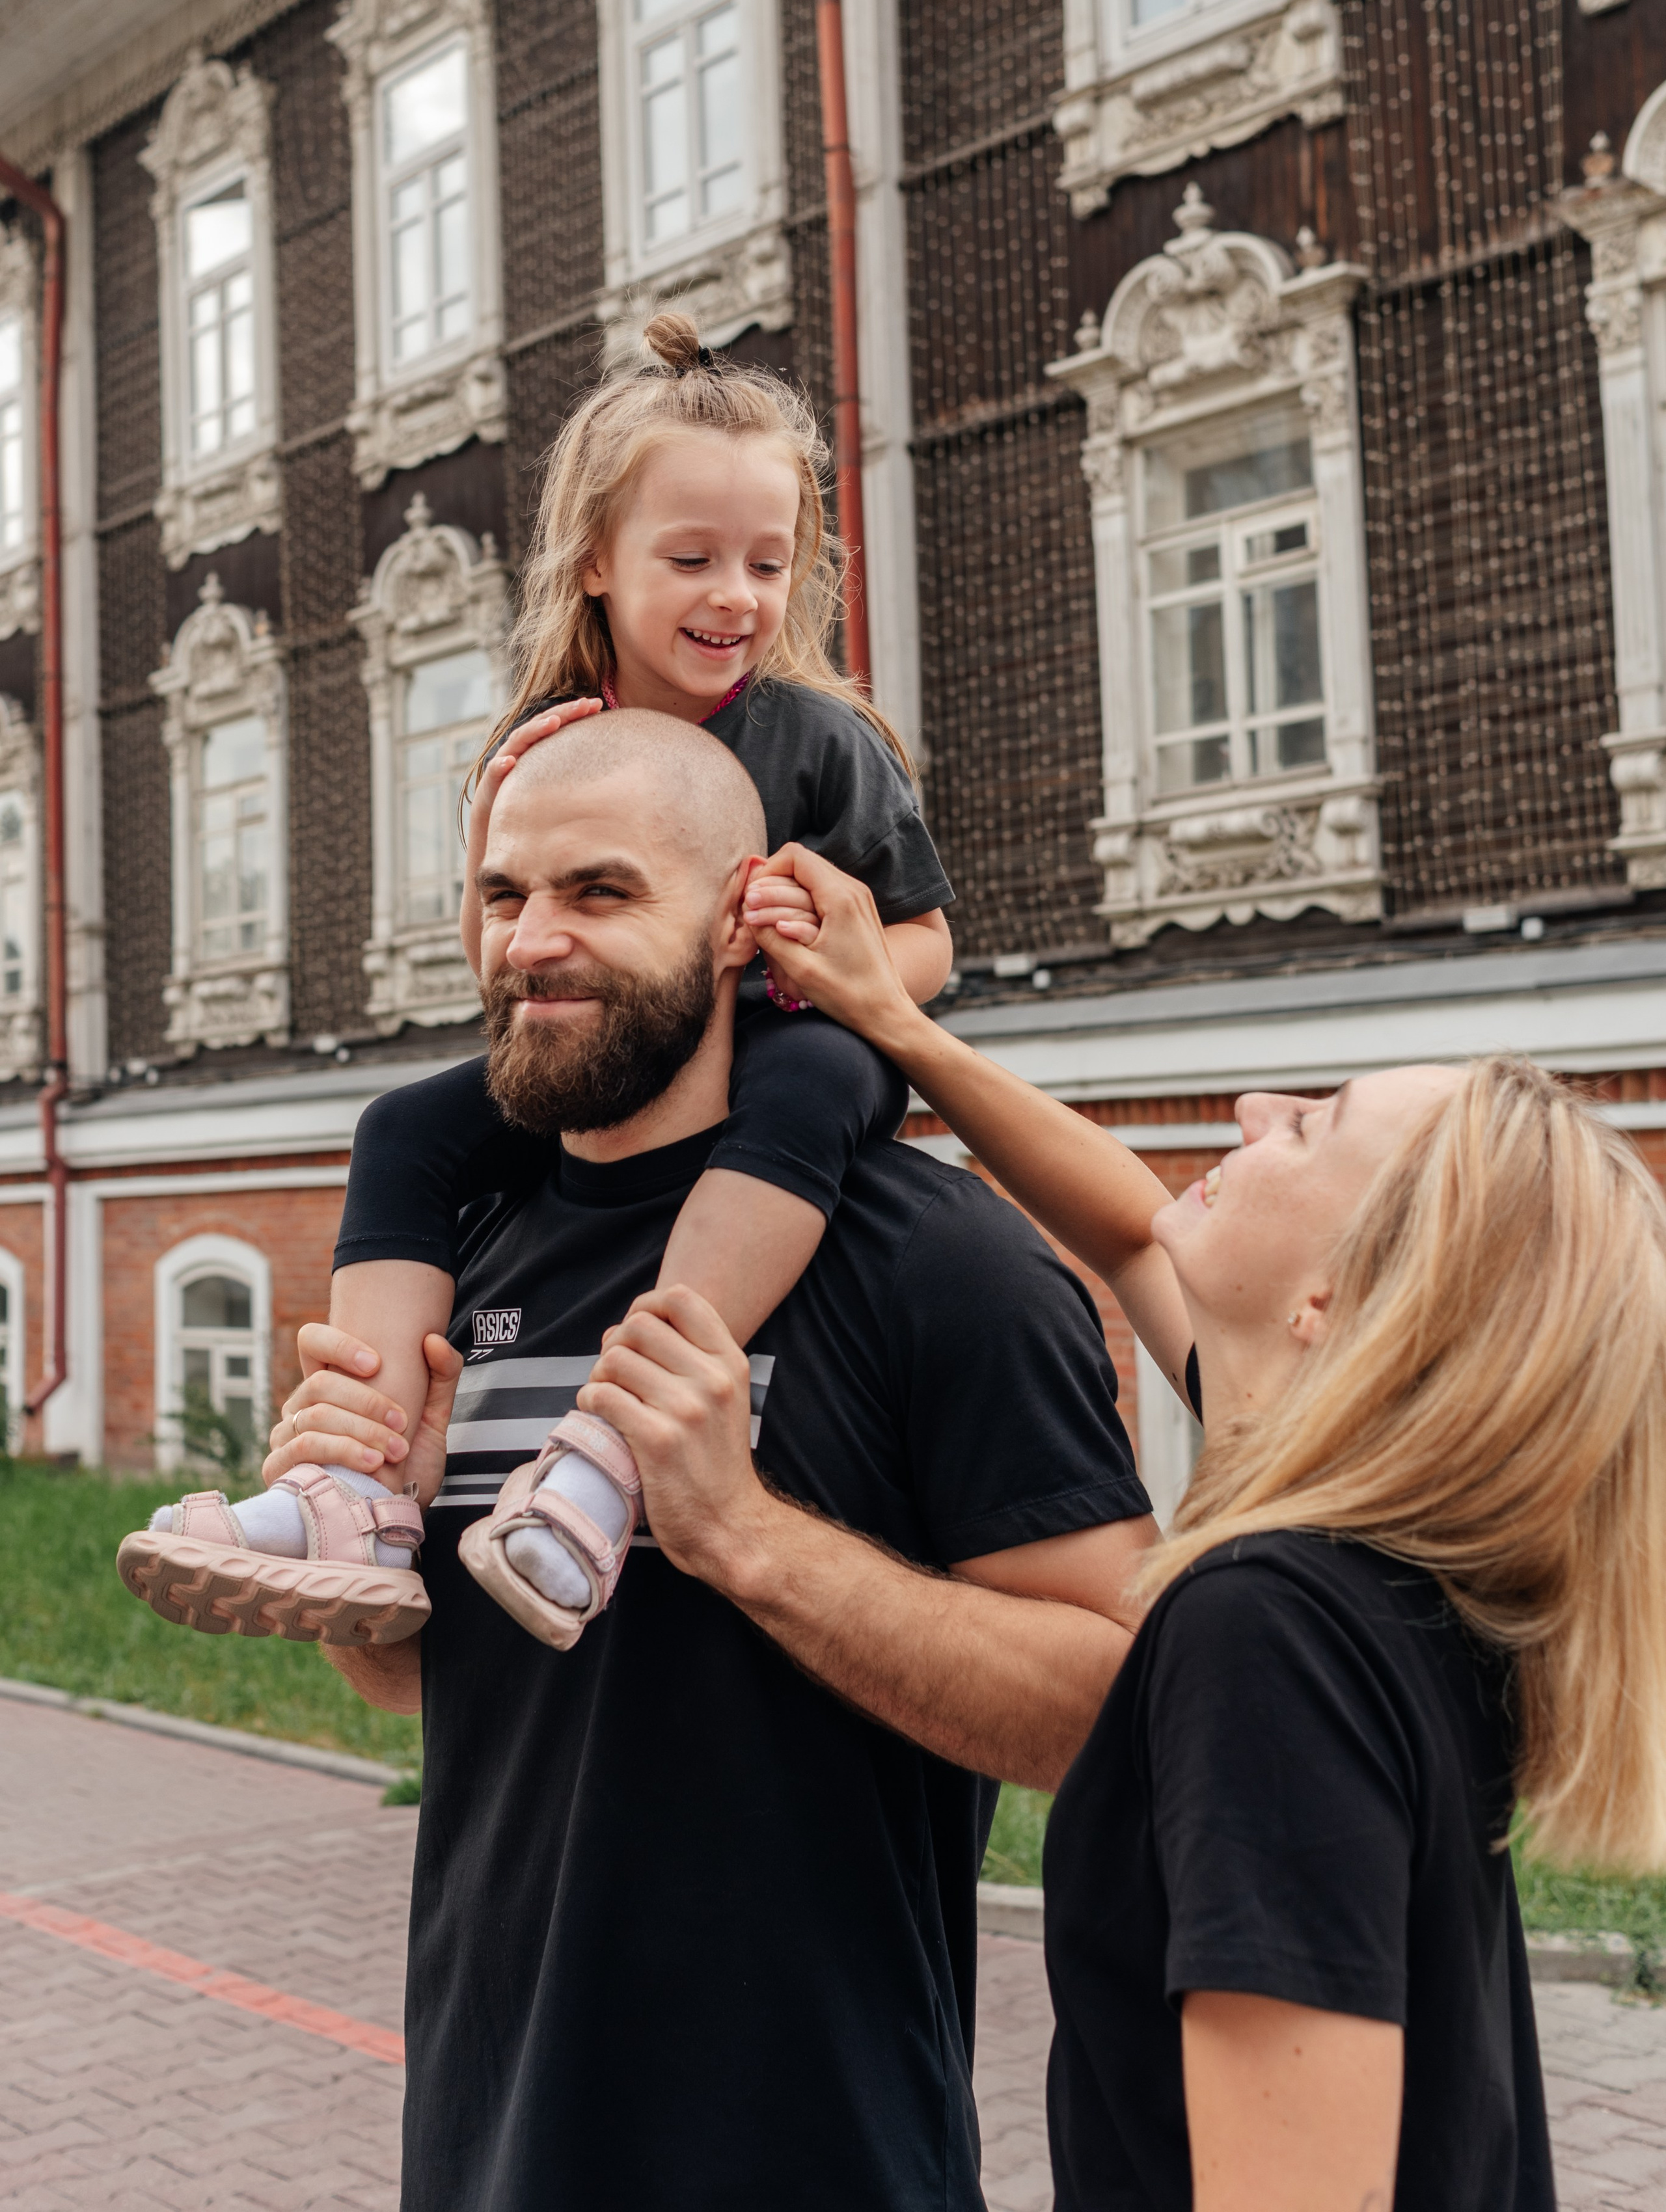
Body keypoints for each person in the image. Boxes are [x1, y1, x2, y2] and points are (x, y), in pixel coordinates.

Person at [258, 708, 1158, 2211]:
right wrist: (384, 1551)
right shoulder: (460, 1257)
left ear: (741, 922)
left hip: (817, 2155)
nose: (531, 941)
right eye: (501, 895)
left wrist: (744, 1534)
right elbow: (442, 1686)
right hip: (486, 2142)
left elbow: (1115, 1708)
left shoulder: (941, 1264)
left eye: (600, 893)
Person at [737, 844, 1666, 2212]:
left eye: (1309, 1125)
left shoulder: (1267, 1628)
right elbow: (1127, 1229)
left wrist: (734, 1525)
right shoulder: (1388, 1567)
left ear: (1333, 1303)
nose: (1249, 1107)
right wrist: (895, 1021)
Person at [118, 308, 953, 1646]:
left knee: (810, 1078)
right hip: (612, 1048)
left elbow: (926, 946)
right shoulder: (540, 738)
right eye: (690, 558)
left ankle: (610, 1454)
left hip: (784, 1041)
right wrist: (501, 861)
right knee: (404, 1125)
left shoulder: (815, 737)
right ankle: (360, 1486)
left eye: (765, 560)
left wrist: (829, 967)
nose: (733, 594)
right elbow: (502, 963)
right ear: (595, 567)